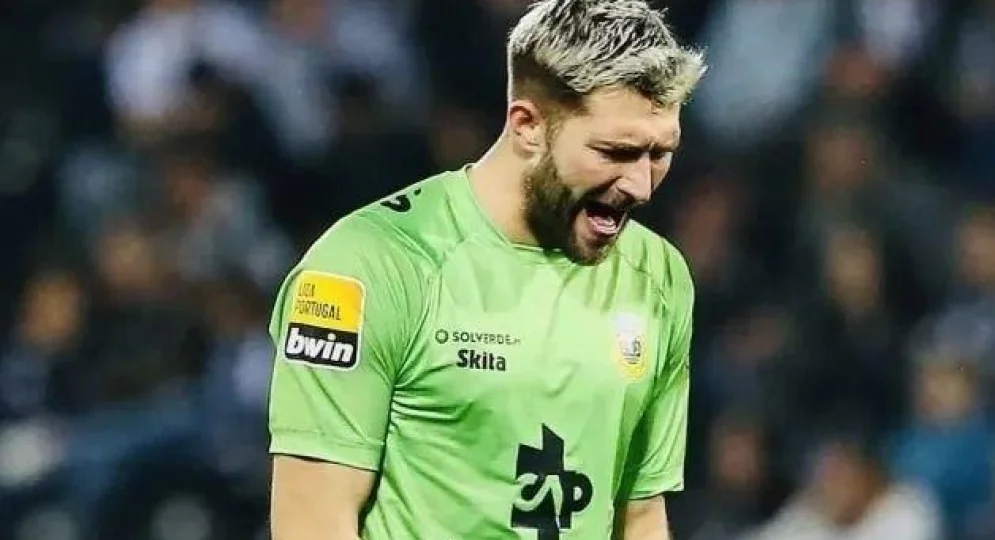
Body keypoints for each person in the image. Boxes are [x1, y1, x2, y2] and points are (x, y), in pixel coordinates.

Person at [266, 0, 706, 538]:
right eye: (615, 152)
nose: (641, 185)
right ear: (528, 126)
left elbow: (639, 515)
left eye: (660, 153)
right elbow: (312, 521)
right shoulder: (366, 268)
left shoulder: (657, 276)